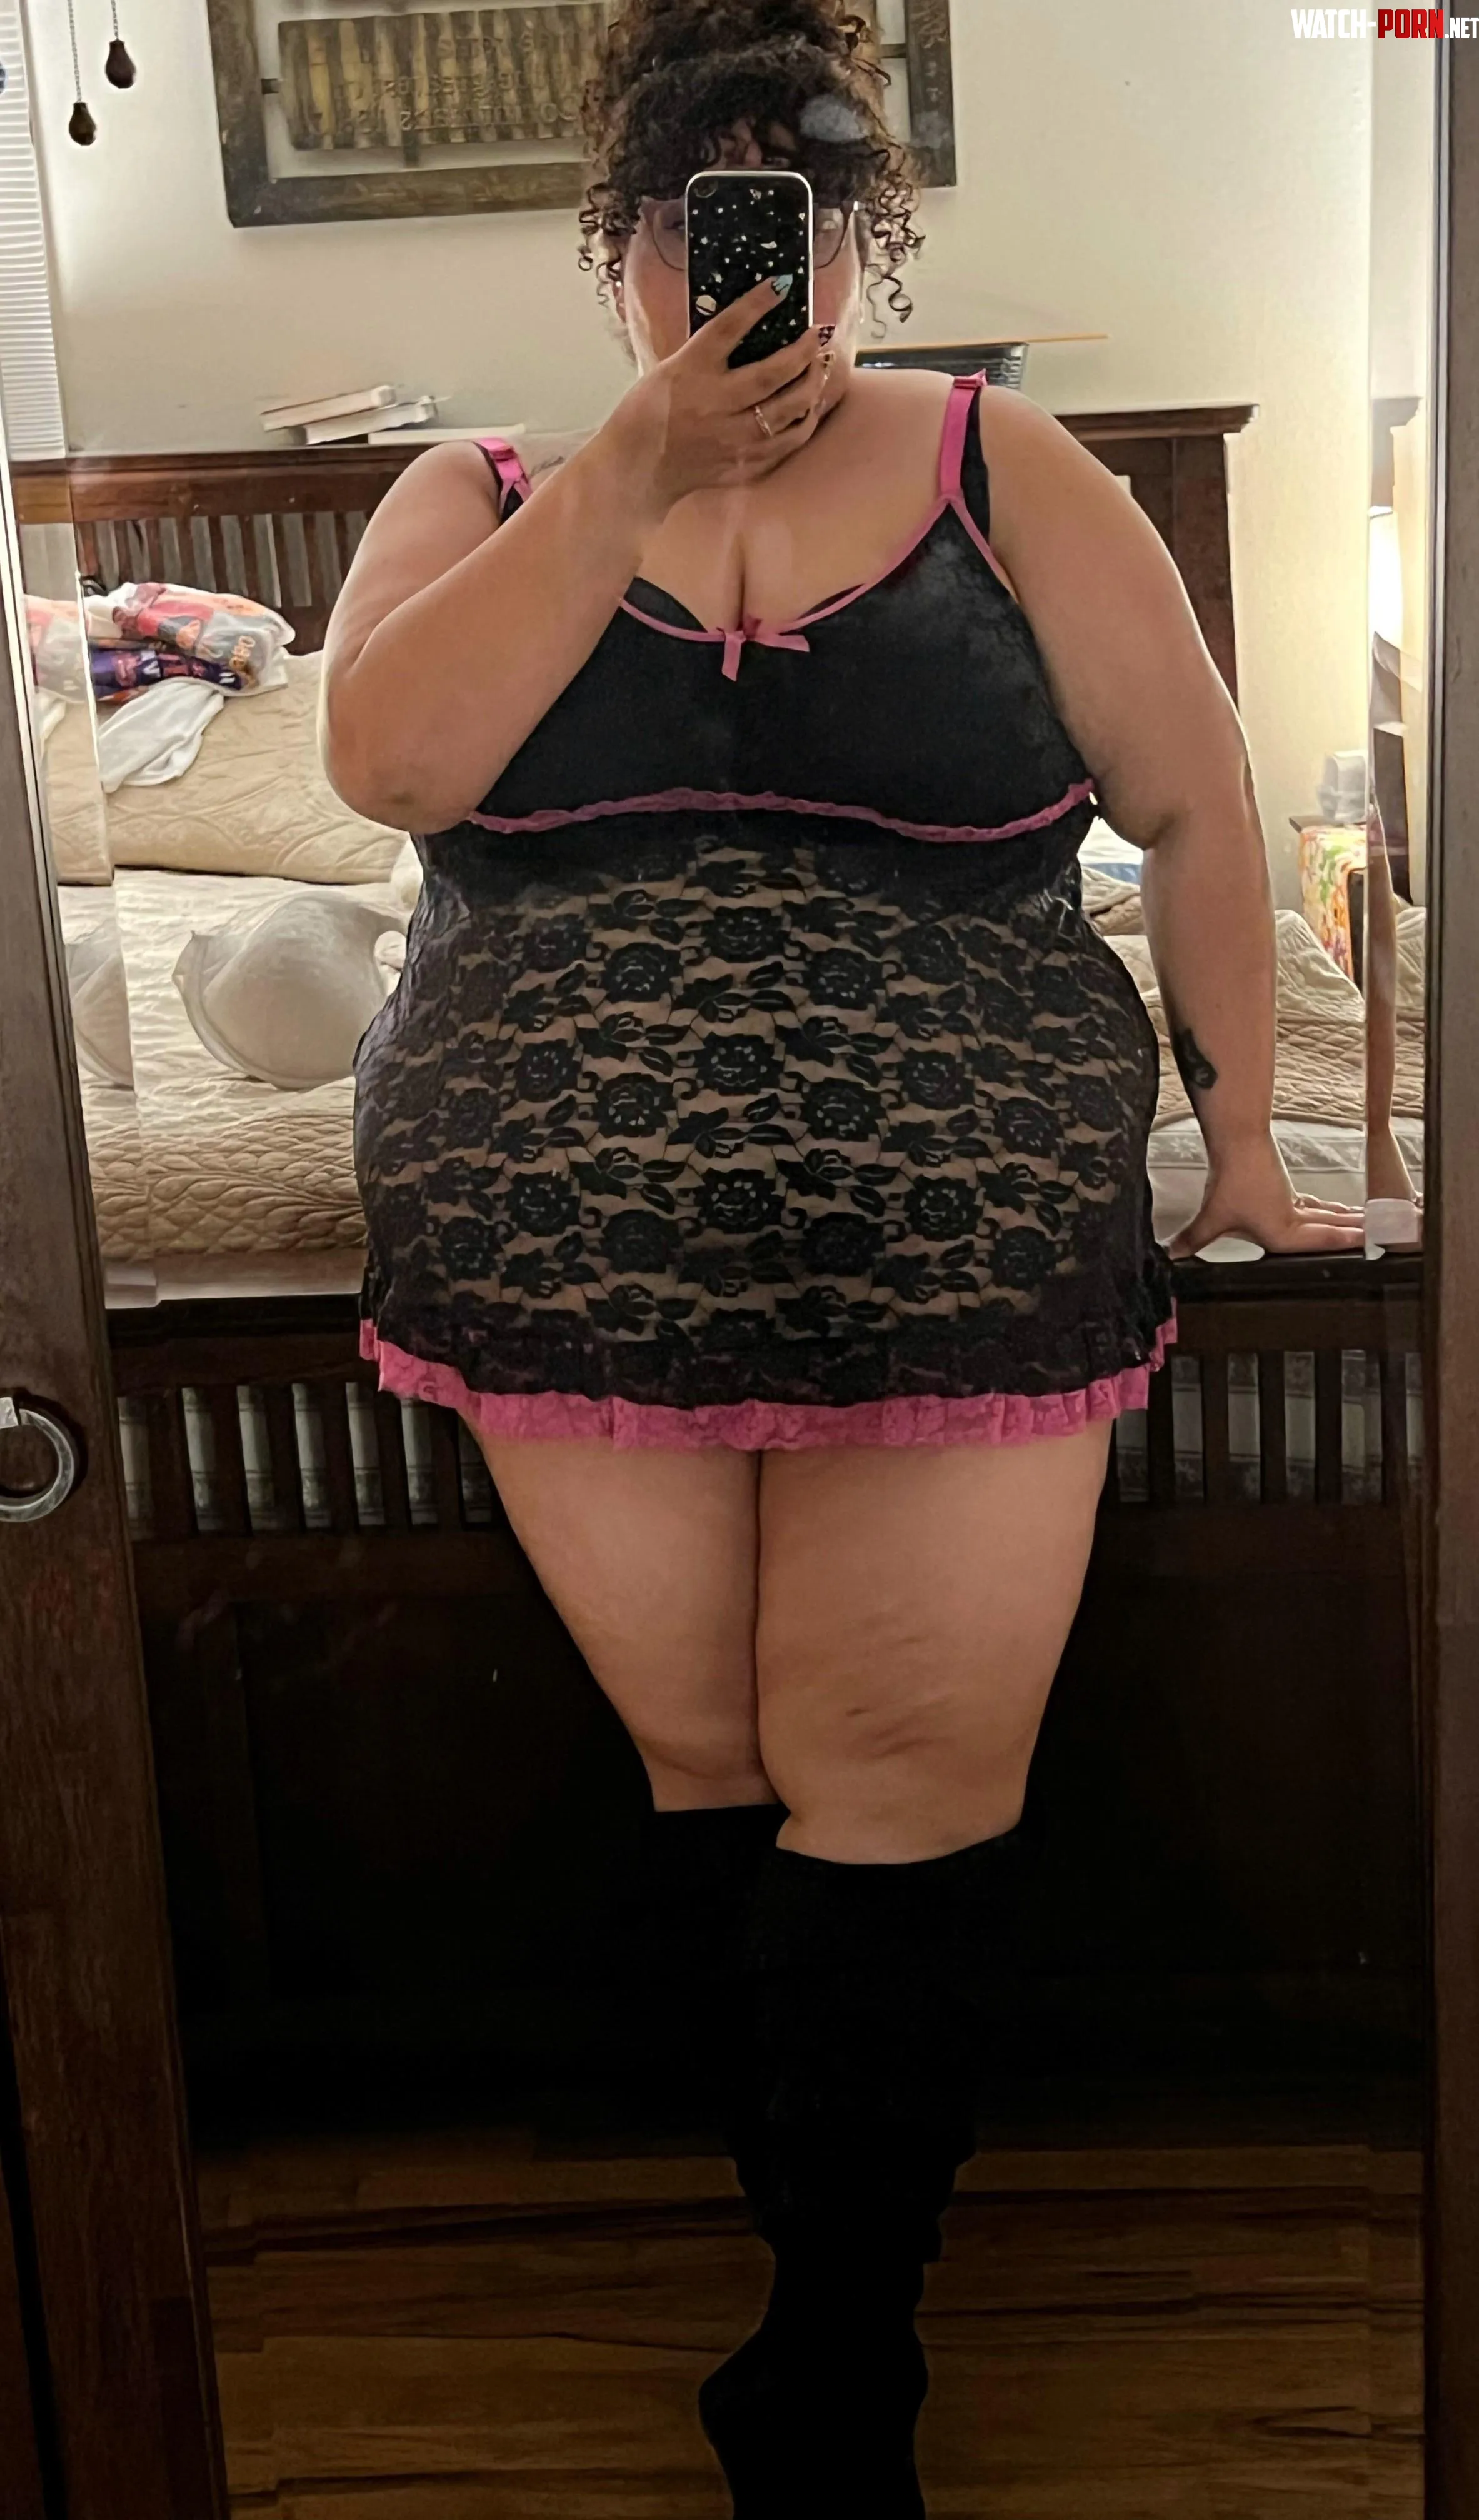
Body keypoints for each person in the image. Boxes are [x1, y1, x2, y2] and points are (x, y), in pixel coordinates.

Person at [322, 4, 1363, 2507]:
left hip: (958, 1229)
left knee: (895, 1771)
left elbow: (1197, 809)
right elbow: (384, 763)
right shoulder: (481, 494)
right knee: (722, 1768)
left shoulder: (1019, 474)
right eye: (687, 225)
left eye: (783, 216)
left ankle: (836, 2362)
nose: (732, 268)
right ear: (618, 251)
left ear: (864, 244)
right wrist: (632, 473)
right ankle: (825, 2300)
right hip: (568, 1239)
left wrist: (1244, 1135)